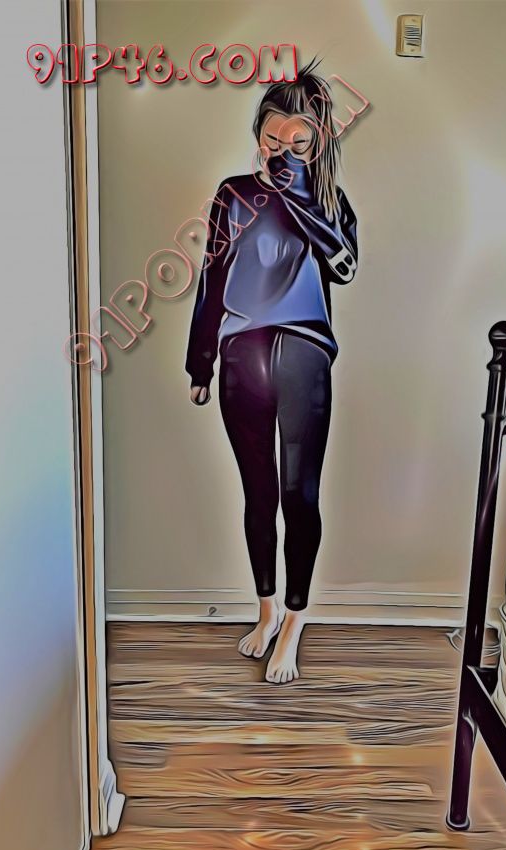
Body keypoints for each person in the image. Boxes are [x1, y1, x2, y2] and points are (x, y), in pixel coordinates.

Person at [185, 61, 358, 683]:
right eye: (271, 138)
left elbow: (345, 267)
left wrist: (298, 193)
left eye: (297, 142)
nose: (280, 150)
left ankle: (294, 623)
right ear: (257, 134)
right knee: (258, 494)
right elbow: (213, 278)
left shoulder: (330, 203)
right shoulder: (232, 195)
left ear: (317, 142)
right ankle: (265, 612)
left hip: (305, 349)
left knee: (298, 494)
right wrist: (200, 360)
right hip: (241, 349)